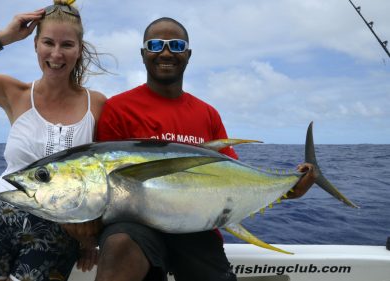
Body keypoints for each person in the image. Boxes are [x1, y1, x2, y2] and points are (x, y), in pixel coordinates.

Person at [94, 17, 317, 281]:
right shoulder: (119, 109)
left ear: (188, 55)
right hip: (137, 228)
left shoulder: (207, 113)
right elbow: (103, 183)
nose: (166, 52)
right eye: (155, 45)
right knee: (120, 245)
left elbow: (233, 182)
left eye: (176, 46)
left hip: (199, 227)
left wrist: (289, 188)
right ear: (143, 54)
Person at [0, 1, 106, 280]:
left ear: (79, 49)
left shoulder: (96, 105)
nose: (56, 54)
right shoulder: (14, 93)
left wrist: (90, 235)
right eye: (48, 42)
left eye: (67, 45)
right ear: (35, 44)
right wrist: (4, 37)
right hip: (0, 214)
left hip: (58, 229)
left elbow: (101, 175)